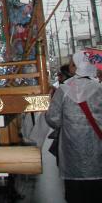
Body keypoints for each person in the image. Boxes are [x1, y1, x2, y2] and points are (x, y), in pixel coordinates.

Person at [45, 51, 102, 202]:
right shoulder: (99, 88)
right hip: (98, 153)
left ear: (75, 68)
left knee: (75, 195)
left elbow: (53, 119)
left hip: (72, 154)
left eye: (72, 63)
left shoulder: (64, 90)